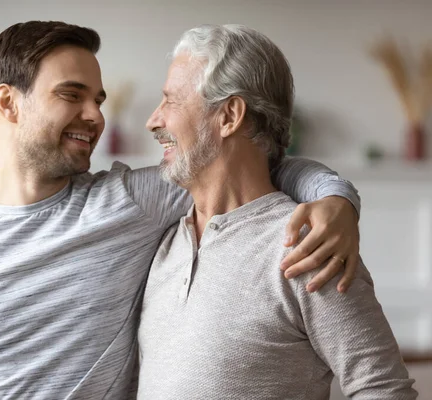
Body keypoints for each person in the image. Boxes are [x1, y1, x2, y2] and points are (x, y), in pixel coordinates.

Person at [0, 21, 361, 399]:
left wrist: (336, 200)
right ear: (8, 103)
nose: (96, 115)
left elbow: (255, 163)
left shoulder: (129, 202)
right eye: (71, 95)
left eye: (98, 99)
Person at [136, 24, 416, 399]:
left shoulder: (307, 245)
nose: (153, 120)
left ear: (230, 116)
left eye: (170, 101)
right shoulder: (167, 240)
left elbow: (383, 389)